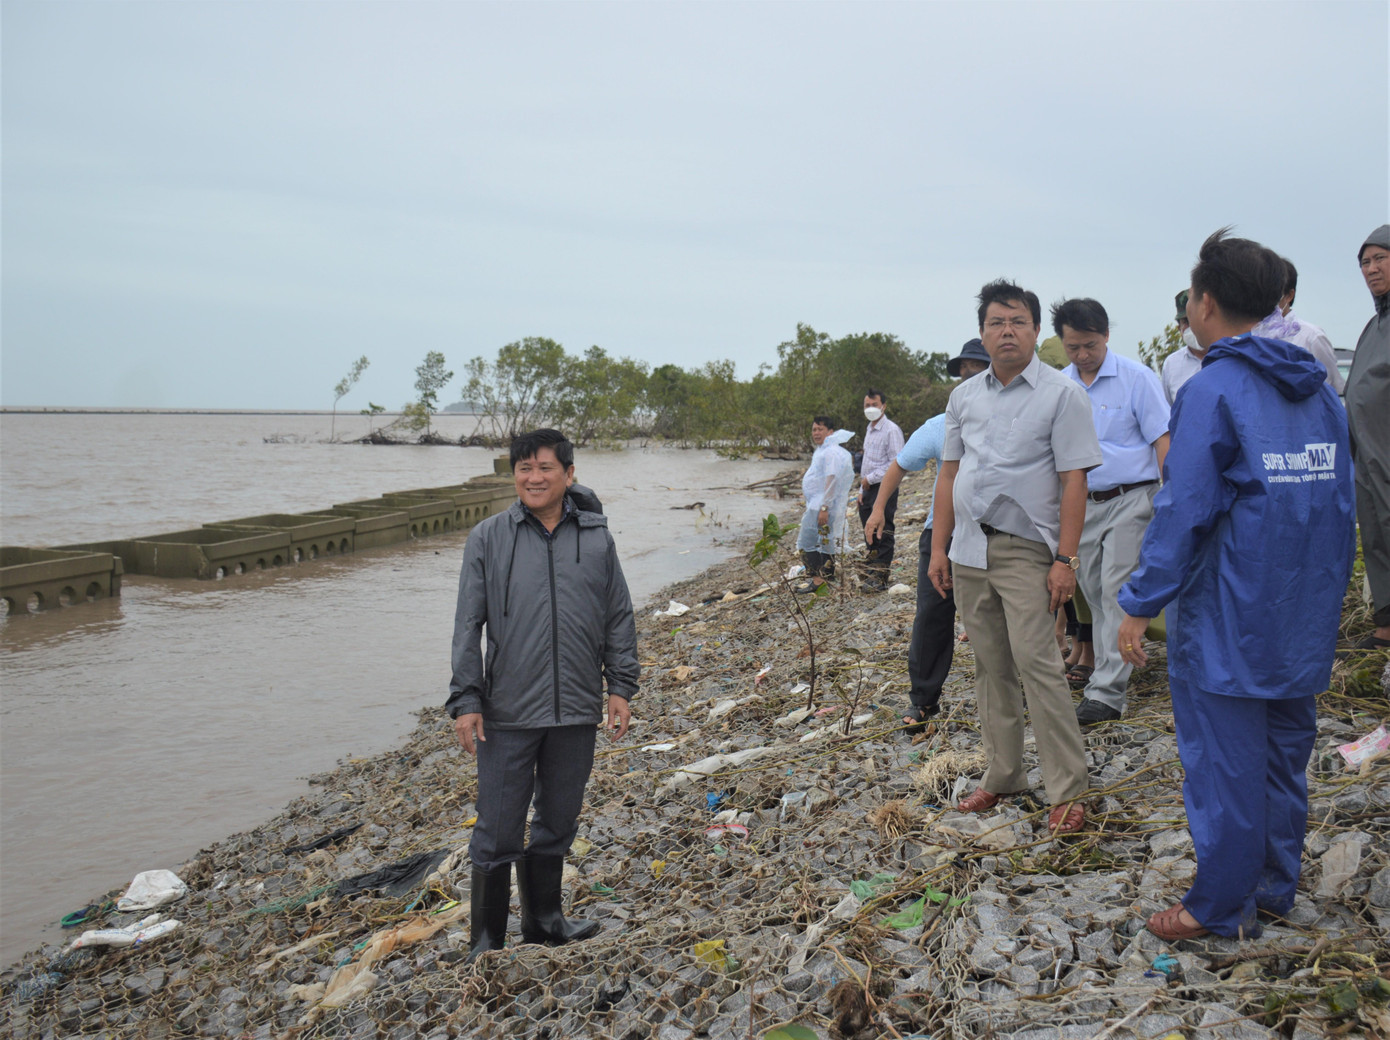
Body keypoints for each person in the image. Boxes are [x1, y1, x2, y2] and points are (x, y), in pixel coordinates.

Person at [1117, 230, 1355, 942]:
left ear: (1205, 303)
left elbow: (1184, 508)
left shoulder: (1213, 387)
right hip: (1301, 610)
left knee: (1225, 767)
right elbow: (1340, 505)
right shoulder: (1319, 392)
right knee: (1283, 757)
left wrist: (1138, 604)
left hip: (1229, 612)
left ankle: (1219, 904)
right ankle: (1274, 887)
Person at [447, 429, 640, 961]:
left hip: (577, 708)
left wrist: (620, 687)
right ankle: (486, 941)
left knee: (559, 817)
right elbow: (469, 625)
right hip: (507, 711)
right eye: (523, 468)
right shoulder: (488, 538)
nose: (533, 478)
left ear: (569, 474)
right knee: (497, 826)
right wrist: (467, 700)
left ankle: (546, 922)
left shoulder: (597, 538)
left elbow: (617, 616)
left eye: (545, 468)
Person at [928, 280, 1102, 834]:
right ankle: (1003, 774)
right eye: (997, 322)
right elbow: (949, 473)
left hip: (1027, 549)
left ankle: (1068, 789)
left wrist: (1065, 561)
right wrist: (939, 547)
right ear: (983, 332)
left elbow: (1074, 481)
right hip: (968, 551)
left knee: (1039, 665)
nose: (1007, 331)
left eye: (1018, 322)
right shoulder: (964, 397)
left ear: (1034, 331)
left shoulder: (1061, 394)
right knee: (990, 667)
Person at [1054, 298, 1170, 724]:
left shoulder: (1137, 379)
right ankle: (1109, 673)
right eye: (1073, 348)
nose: (1083, 355)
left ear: (1105, 336)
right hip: (1082, 504)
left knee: (1117, 591)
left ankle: (1106, 695)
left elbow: (1162, 438)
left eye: (1090, 345)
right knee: (1095, 599)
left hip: (1130, 499)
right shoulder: (1061, 387)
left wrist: (1170, 494)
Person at [865, 339, 990, 730]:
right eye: (964, 370)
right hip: (943, 535)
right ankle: (922, 699)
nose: (970, 375)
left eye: (978, 368)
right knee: (934, 615)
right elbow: (899, 466)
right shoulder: (939, 425)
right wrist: (878, 509)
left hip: (996, 533)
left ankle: (1008, 696)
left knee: (995, 617)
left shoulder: (1011, 421)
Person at [1346, 224, 1390, 652]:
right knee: (1376, 535)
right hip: (1368, 457)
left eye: (1380, 258)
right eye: (1365, 261)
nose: (1371, 269)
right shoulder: (1372, 327)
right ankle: (1386, 626)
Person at [1251, 258, 1344, 393]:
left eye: (1273, 293)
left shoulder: (1311, 337)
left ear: (1289, 295)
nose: (1265, 299)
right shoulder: (1251, 334)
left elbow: (1333, 387)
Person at [795, 416, 855, 592]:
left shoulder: (830, 452)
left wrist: (824, 507)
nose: (816, 433)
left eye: (820, 429)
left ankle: (817, 579)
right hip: (820, 505)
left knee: (806, 543)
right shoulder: (824, 450)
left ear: (830, 432)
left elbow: (832, 479)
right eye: (814, 429)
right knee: (825, 540)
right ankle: (826, 576)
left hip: (821, 507)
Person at [856, 389, 905, 592]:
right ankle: (871, 572)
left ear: (883, 406)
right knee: (868, 529)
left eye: (874, 405)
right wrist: (861, 487)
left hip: (884, 486)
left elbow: (897, 463)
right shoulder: (869, 428)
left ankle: (881, 576)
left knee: (883, 530)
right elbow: (867, 462)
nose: (870, 409)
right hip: (867, 488)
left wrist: (871, 478)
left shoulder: (891, 430)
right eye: (867, 405)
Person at [1161, 289, 1206, 406]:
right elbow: (1167, 412)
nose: (1192, 326)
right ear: (1179, 328)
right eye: (1186, 321)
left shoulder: (1229, 356)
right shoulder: (1171, 364)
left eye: (1196, 318)